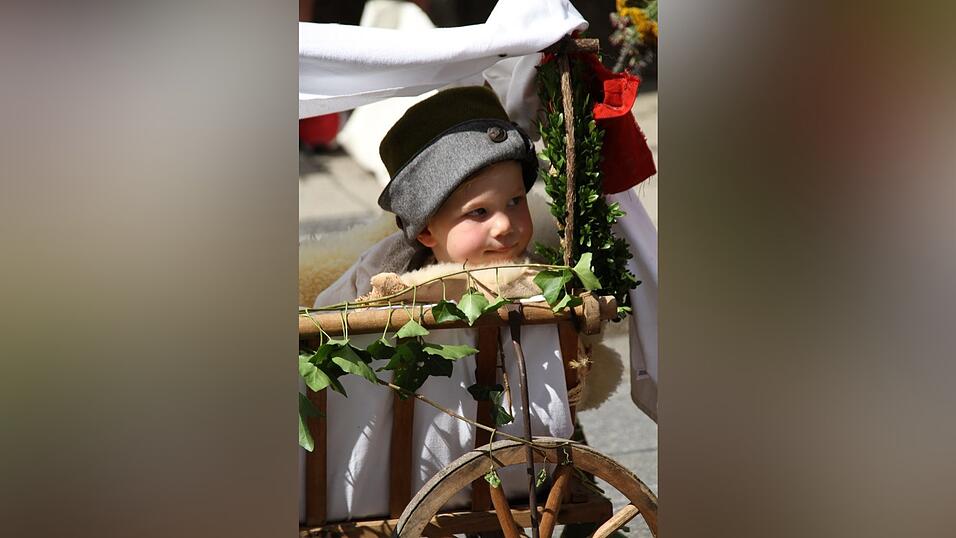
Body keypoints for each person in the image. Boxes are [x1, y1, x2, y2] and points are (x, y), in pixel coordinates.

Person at [304, 86, 575, 522]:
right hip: (398, 463)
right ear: (427, 232)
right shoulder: (383, 274)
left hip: (507, 456)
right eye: (479, 213)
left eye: (515, 202)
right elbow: (326, 317)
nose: (506, 225)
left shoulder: (535, 278)